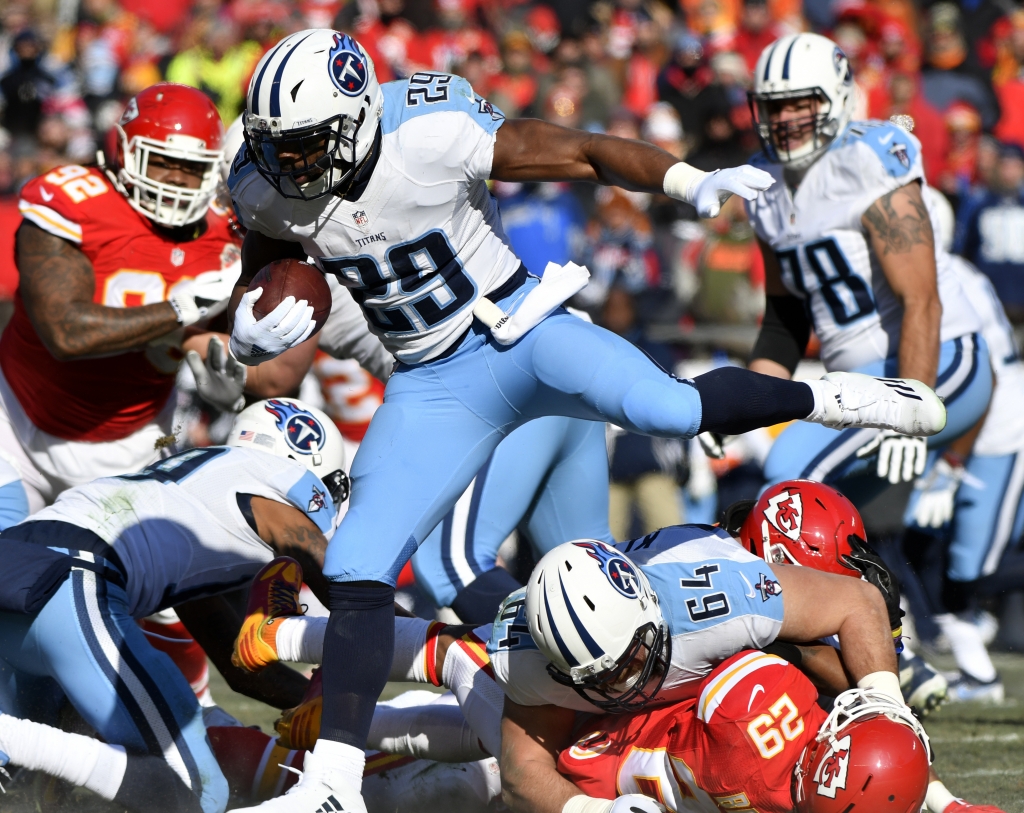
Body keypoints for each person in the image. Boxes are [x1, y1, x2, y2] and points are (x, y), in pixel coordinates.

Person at [225, 30, 946, 813]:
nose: (290, 166)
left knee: (669, 405)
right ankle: (332, 788)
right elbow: (265, 273)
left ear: (358, 116)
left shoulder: (427, 130)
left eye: (305, 146)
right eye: (278, 149)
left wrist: (686, 180)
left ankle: (844, 396)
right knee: (365, 561)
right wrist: (249, 325)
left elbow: (582, 152)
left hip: (517, 328)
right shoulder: (265, 181)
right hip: (430, 381)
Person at [0, 398, 349, 813]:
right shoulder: (276, 482)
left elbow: (242, 671)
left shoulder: (197, 498)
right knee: (197, 794)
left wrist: (324, 704)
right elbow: (353, 594)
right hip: (70, 580)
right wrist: (434, 645)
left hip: (18, 569)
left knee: (32, 787)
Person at [743, 34, 990, 501]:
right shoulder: (763, 183)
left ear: (835, 99)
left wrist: (910, 408)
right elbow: (785, 320)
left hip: (941, 361)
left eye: (800, 103)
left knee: (788, 477)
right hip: (854, 385)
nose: (784, 119)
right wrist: (742, 405)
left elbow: (922, 300)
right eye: (773, 107)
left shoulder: (868, 159)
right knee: (858, 528)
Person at [0, 83, 243, 514]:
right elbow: (66, 333)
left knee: (105, 580)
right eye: (163, 161)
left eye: (190, 168)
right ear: (127, 150)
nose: (175, 179)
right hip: (16, 425)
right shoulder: (75, 201)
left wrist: (232, 384)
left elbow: (252, 361)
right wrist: (184, 308)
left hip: (136, 446)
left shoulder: (227, 237)